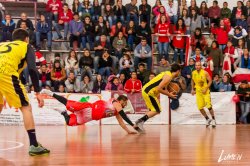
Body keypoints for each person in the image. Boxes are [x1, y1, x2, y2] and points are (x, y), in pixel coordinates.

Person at [0, 29, 50, 156]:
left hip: (4, 72)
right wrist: (37, 92)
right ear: (26, 39)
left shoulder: (2, 44)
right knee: (26, 107)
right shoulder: (26, 46)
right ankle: (34, 145)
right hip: (6, 73)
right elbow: (33, 69)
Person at [40, 89, 140, 134]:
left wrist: (128, 131)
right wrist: (132, 124)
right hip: (88, 108)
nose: (125, 105)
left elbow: (121, 122)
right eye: (125, 103)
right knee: (68, 104)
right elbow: (124, 116)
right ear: (121, 100)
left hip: (89, 117)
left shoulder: (117, 111)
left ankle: (63, 113)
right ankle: (50, 93)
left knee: (70, 122)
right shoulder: (116, 103)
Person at [135, 64, 181, 133]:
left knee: (151, 110)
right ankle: (139, 121)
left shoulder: (167, 73)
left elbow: (163, 88)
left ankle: (137, 125)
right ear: (178, 71)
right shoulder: (168, 77)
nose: (179, 73)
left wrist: (168, 93)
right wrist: (169, 94)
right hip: (149, 92)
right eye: (179, 72)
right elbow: (159, 88)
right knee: (157, 110)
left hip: (146, 90)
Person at [191, 61, 216, 127]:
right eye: (196, 65)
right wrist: (192, 89)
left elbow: (210, 81)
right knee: (200, 107)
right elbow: (192, 81)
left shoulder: (205, 73)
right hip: (198, 92)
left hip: (205, 91)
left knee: (209, 106)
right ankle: (207, 119)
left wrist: (206, 88)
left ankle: (213, 119)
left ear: (201, 66)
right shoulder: (193, 73)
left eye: (199, 65)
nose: (197, 66)